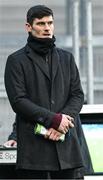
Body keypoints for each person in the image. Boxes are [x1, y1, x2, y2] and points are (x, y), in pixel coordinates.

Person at [4, 5, 85, 179]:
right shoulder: (16, 61)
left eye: (50, 23)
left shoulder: (67, 58)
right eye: (41, 23)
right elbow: (18, 101)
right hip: (35, 154)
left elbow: (77, 94)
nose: (47, 28)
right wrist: (54, 120)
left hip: (67, 151)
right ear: (28, 27)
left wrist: (62, 121)